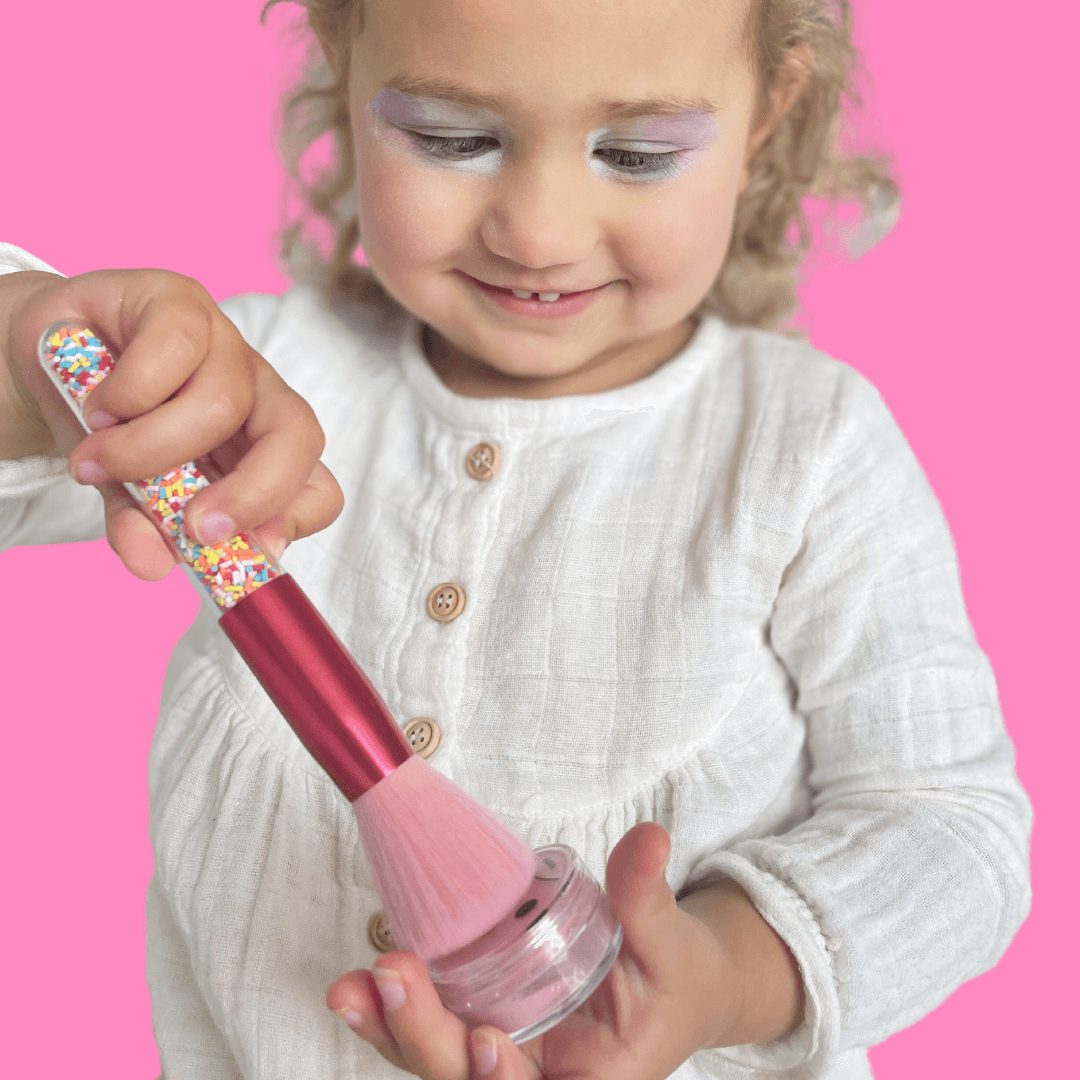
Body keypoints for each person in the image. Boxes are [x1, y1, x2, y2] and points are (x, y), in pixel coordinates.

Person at [0, 0, 1031, 1077]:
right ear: (346, 62)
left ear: (767, 111)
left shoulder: (804, 450)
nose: (536, 230)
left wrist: (719, 975)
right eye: (451, 137)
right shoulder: (243, 399)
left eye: (634, 153)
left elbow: (951, 832)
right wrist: (33, 343)